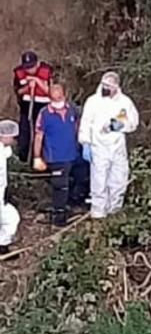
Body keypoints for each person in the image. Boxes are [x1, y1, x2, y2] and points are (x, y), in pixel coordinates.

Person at [79, 71, 139, 219]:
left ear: (116, 87)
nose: (105, 88)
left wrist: (119, 125)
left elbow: (133, 122)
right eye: (104, 85)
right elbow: (85, 123)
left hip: (118, 147)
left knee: (119, 180)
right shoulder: (93, 101)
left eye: (109, 86)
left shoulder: (124, 102)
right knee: (99, 182)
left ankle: (115, 212)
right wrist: (85, 143)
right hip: (98, 148)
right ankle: (98, 214)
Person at [32, 84, 86, 227]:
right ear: (49, 98)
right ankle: (59, 216)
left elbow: (78, 128)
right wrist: (37, 156)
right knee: (60, 186)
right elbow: (39, 136)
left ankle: (75, 203)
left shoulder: (72, 110)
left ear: (64, 95)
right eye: (54, 98)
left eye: (60, 97)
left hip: (74, 153)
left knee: (82, 177)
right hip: (55, 156)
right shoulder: (44, 114)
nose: (58, 100)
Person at [12, 51, 53, 163]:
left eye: (32, 67)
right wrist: (27, 88)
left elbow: (53, 92)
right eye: (27, 68)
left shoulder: (48, 71)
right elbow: (18, 91)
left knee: (41, 136)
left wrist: (37, 81)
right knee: (25, 136)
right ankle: (24, 161)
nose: (29, 70)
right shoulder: (19, 72)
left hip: (43, 109)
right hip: (27, 108)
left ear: (38, 63)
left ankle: (42, 161)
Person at [0, 120, 21, 254]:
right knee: (10, 218)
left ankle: (3, 244)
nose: (14, 139)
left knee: (11, 218)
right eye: (12, 137)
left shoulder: (4, 150)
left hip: (2, 191)